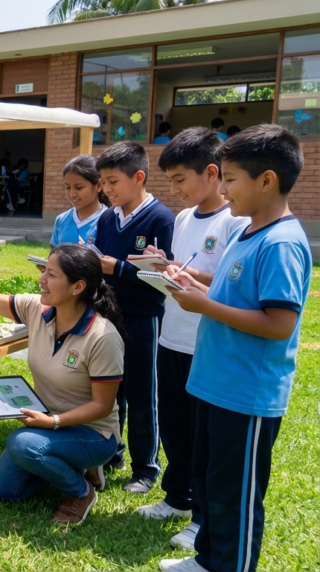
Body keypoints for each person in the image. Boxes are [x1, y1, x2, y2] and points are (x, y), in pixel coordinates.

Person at [158, 125, 311, 572]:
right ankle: (208, 559)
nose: (223, 189)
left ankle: (231, 565)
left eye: (230, 179)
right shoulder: (247, 233)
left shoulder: (281, 242)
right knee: (210, 483)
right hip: (214, 383)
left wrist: (203, 304)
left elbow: (279, 324)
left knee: (236, 493)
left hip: (246, 394)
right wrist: (193, 281)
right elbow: (232, 291)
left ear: (267, 180)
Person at [0, 245, 124, 526]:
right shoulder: (38, 309)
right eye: (44, 271)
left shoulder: (102, 337)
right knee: (3, 490)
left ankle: (81, 492)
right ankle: (74, 465)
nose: (41, 280)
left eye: (52, 274)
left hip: (94, 433)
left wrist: (54, 422)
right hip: (51, 424)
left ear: (78, 286)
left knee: (22, 444)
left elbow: (102, 406)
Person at [137, 127, 246, 550]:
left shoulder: (233, 221)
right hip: (173, 337)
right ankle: (177, 498)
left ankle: (202, 517)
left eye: (180, 179)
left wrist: (185, 274)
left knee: (205, 436)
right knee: (177, 428)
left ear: (212, 172)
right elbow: (188, 268)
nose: (175, 190)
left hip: (206, 343)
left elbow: (231, 282)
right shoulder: (183, 218)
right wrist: (166, 266)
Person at [94, 141, 175, 494]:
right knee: (111, 390)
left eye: (113, 182)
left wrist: (119, 268)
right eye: (103, 182)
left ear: (138, 177)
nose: (106, 190)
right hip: (108, 316)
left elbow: (165, 280)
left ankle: (145, 468)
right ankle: (113, 452)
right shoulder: (108, 217)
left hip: (144, 318)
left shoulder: (161, 219)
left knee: (143, 393)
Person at [50, 155, 109, 247]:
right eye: (67, 187)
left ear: (98, 185)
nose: (72, 194)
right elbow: (53, 255)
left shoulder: (109, 221)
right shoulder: (61, 220)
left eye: (79, 187)